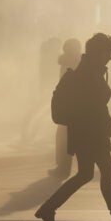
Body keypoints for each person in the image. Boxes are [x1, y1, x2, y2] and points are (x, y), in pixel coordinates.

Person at [35, 33, 111, 221]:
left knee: (85, 174)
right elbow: (98, 108)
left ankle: (48, 208)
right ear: (99, 53)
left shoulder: (91, 71)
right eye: (108, 53)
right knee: (104, 172)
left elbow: (99, 106)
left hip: (87, 132)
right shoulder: (89, 74)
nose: (110, 58)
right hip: (90, 133)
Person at [47, 38, 81, 180]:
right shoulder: (78, 61)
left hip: (67, 105)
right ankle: (65, 168)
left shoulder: (67, 61)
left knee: (63, 137)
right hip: (73, 105)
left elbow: (63, 85)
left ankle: (63, 168)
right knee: (69, 137)